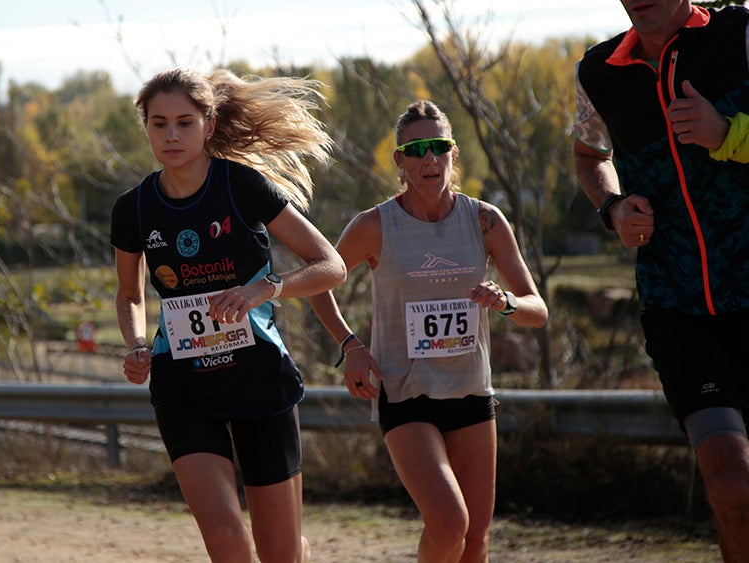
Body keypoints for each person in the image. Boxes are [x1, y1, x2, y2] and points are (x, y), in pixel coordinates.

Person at [110, 67, 347, 563]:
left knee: (280, 554)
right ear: (146, 128)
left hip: (260, 380)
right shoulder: (132, 209)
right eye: (158, 124)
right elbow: (129, 294)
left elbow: (331, 265)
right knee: (227, 542)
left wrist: (266, 288)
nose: (171, 135)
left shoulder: (242, 187)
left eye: (184, 122)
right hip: (184, 387)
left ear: (209, 125)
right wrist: (134, 345)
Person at [572, 0, 749, 558]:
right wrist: (613, 207)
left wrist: (730, 134)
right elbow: (589, 157)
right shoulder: (601, 73)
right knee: (729, 479)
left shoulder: (739, 40)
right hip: (680, 312)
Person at [309, 100, 548, 563]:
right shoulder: (375, 225)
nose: (429, 159)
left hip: (472, 393)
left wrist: (507, 303)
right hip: (405, 395)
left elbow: (537, 310)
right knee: (448, 522)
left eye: (438, 147)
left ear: (453, 153)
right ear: (399, 160)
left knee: (476, 540)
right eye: (416, 150)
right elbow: (320, 281)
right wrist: (352, 347)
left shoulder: (485, 221)